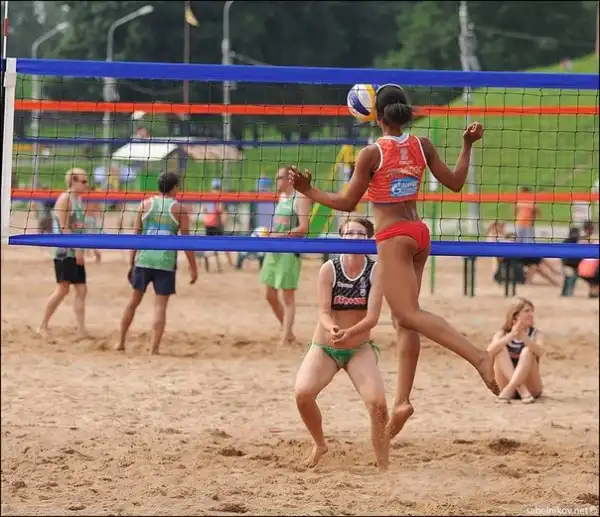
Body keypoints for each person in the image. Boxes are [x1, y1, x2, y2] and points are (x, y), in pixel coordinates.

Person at [288, 84, 499, 444]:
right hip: (419, 234)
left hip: (393, 238)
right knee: (405, 320)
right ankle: (402, 401)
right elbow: (456, 183)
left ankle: (479, 357)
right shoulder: (421, 145)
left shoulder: (371, 153)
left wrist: (309, 191)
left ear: (377, 116)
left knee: (409, 314)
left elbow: (347, 203)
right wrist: (467, 145)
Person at [295, 216, 388, 469]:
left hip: (358, 348)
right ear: (341, 237)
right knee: (303, 394)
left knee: (378, 406)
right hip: (325, 347)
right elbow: (323, 312)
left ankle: (383, 464)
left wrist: (350, 332)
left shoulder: (376, 270)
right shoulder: (329, 268)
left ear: (369, 239)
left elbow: (372, 318)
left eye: (360, 234)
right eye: (349, 233)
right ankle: (320, 444)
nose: (354, 238)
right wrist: (332, 328)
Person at [116, 172, 198, 355]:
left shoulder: (144, 205)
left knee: (133, 302)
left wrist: (131, 262)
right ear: (175, 187)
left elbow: (136, 235)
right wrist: (193, 267)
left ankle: (120, 342)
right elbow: (187, 242)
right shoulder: (179, 209)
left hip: (144, 259)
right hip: (165, 262)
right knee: (160, 307)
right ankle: (154, 349)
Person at [260, 166, 311, 347]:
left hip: (289, 250)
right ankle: (287, 332)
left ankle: (285, 337)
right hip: (274, 248)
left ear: (289, 179)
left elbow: (303, 228)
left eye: (279, 177)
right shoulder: (282, 197)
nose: (276, 181)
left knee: (288, 297)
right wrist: (270, 233)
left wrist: (279, 235)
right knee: (269, 294)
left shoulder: (301, 197)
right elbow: (280, 225)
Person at [37, 168, 90, 339]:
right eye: (83, 181)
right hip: (64, 251)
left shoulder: (78, 199)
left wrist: (91, 247)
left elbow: (79, 227)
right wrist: (77, 250)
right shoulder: (65, 199)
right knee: (63, 289)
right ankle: (42, 325)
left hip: (74, 250)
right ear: (73, 181)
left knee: (81, 289)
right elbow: (64, 228)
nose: (87, 184)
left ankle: (81, 331)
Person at [487, 297, 543, 404]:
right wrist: (511, 336)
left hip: (530, 387)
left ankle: (512, 388)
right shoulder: (502, 333)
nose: (531, 314)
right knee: (500, 349)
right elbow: (489, 352)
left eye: (532, 311)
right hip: (507, 387)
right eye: (527, 311)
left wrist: (524, 338)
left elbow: (540, 352)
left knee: (528, 351)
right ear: (515, 315)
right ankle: (520, 389)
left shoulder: (536, 334)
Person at [200, 178, 233, 272]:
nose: (217, 190)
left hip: (209, 224)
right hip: (215, 225)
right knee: (222, 245)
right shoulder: (218, 198)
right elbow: (221, 210)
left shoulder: (209, 197)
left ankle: (210, 266)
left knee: (210, 246)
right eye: (217, 188)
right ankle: (227, 264)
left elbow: (204, 210)